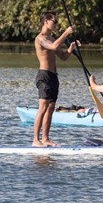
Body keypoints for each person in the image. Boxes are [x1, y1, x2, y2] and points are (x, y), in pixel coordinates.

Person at [32, 11, 78, 147]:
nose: (56, 24)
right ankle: (35, 140)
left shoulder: (52, 39)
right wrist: (66, 33)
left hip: (53, 76)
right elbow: (52, 47)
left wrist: (70, 48)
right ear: (46, 21)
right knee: (43, 107)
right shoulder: (40, 38)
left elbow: (63, 57)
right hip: (44, 76)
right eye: (54, 21)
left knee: (51, 107)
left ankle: (45, 138)